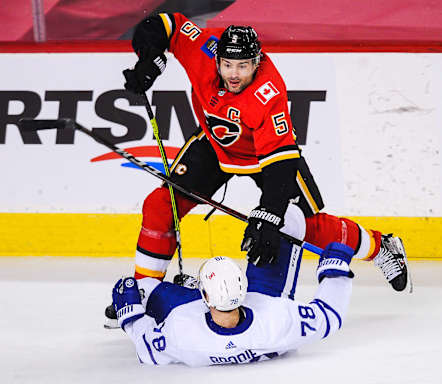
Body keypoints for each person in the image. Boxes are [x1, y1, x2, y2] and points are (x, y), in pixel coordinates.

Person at [121, 12, 409, 293]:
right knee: (160, 207)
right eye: (228, 65)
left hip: (266, 156)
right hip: (215, 143)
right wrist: (150, 58)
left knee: (306, 226)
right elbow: (166, 24)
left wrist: (270, 214)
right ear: (217, 59)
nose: (234, 74)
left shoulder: (267, 93)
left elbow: (280, 161)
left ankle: (379, 245)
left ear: (257, 63)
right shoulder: (203, 51)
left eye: (243, 66)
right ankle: (146, 290)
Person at [111, 207, 354, 366]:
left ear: (204, 297)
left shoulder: (181, 330)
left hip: (192, 309)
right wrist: (335, 269)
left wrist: (129, 317)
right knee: (286, 217)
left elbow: (147, 350)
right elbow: (329, 316)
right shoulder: (277, 320)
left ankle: (188, 289)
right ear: (243, 289)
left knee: (141, 288)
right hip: (263, 297)